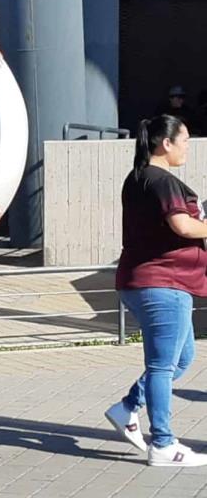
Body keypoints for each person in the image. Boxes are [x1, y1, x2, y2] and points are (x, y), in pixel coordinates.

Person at [104, 115, 207, 467]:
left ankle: (128, 407)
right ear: (166, 143)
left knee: (182, 358)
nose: (187, 148)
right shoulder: (160, 179)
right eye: (186, 141)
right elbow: (183, 225)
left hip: (151, 281)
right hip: (163, 283)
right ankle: (163, 444)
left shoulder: (138, 178)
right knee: (163, 366)